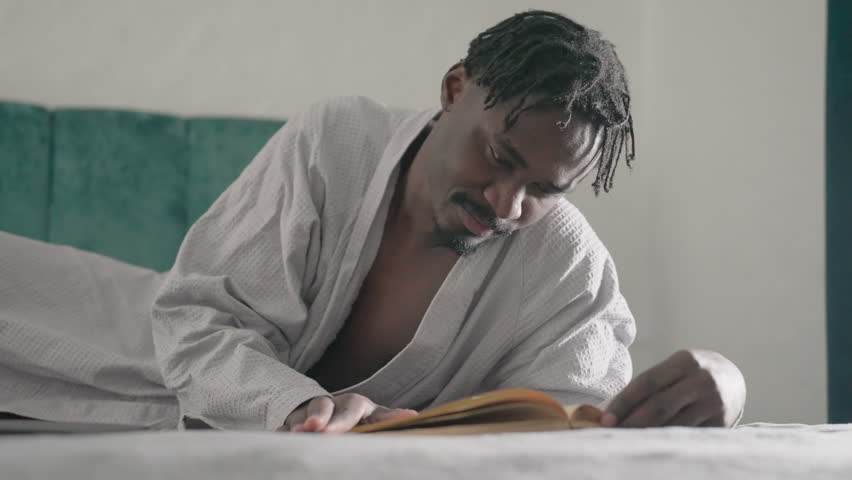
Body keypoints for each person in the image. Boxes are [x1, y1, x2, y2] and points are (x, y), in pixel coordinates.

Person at [0, 10, 745, 432]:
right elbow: (197, 320)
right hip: (131, 341)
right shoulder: (338, 142)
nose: (507, 205)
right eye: (498, 156)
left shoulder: (564, 262)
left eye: (544, 189)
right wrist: (297, 404)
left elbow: (577, 421)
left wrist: (730, 385)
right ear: (454, 89)